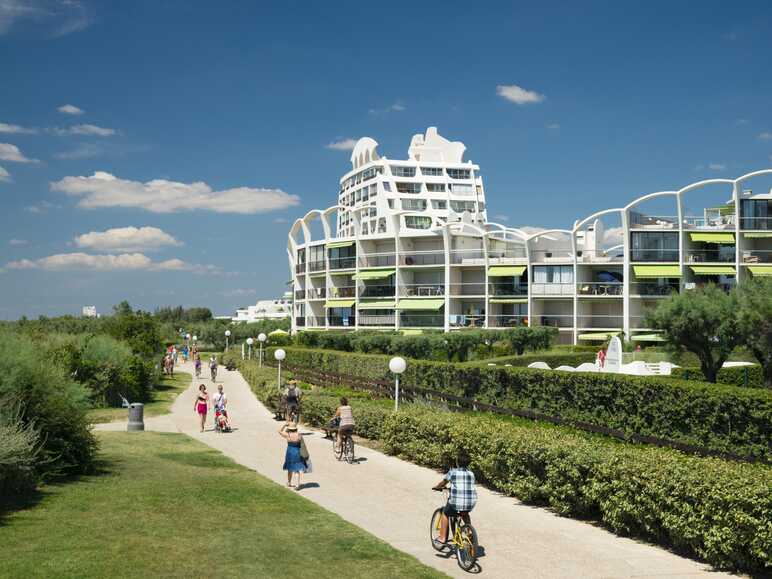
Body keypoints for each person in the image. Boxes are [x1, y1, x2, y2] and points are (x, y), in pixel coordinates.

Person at [432, 451, 477, 547]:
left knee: (445, 513)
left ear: (457, 462)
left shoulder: (453, 472)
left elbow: (443, 483)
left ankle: (442, 538)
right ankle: (470, 533)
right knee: (465, 514)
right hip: (471, 502)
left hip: (456, 502)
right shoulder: (471, 474)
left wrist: (437, 487)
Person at [279, 422, 307, 489]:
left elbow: (279, 431)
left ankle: (289, 482)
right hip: (297, 452)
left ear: (289, 428)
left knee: (290, 468)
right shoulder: (299, 435)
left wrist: (284, 425)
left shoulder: (287, 435)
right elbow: (301, 445)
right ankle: (297, 484)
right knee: (297, 469)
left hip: (290, 452)